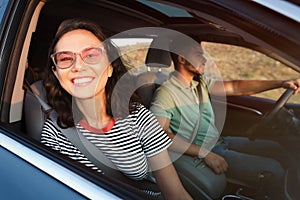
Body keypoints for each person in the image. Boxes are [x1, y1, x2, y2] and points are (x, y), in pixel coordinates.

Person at [40, 18, 192, 200]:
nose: (78, 66)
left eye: (91, 55)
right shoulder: (55, 134)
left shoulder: (139, 117)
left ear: (110, 66)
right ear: (56, 73)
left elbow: (174, 193)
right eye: (65, 59)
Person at [150, 38, 300, 199]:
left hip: (221, 142)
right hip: (204, 152)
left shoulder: (199, 83)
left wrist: (280, 83)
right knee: (275, 169)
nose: (204, 59)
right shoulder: (166, 93)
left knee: (279, 149)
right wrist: (204, 153)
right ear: (181, 59)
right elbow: (158, 135)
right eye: (198, 54)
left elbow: (236, 86)